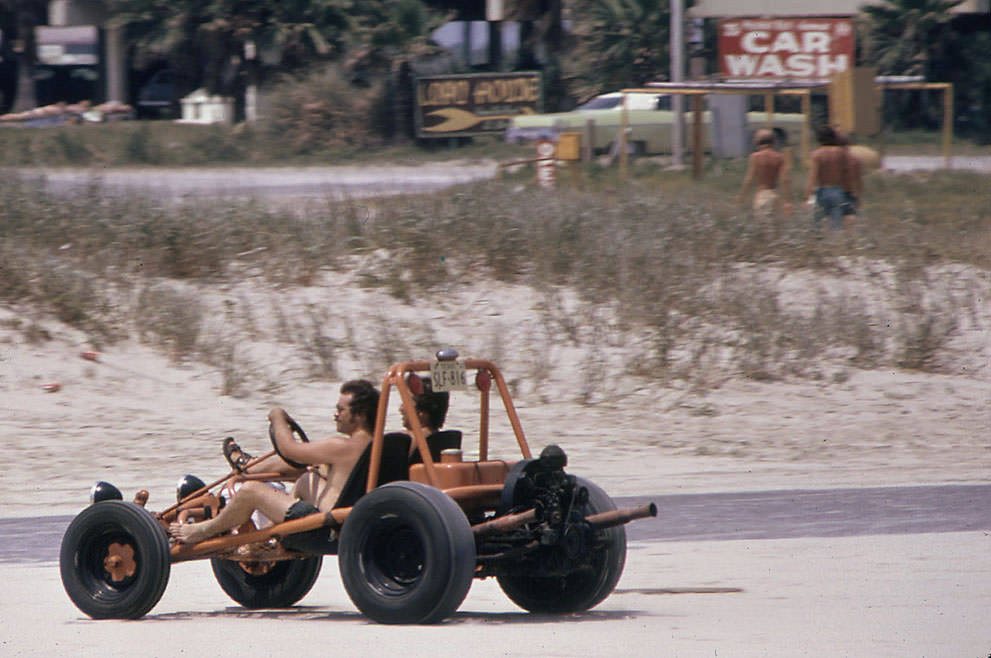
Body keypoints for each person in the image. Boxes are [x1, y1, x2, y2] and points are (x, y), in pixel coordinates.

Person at [169, 379, 379, 544]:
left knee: (250, 490)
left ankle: (203, 530)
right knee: (309, 473)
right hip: (347, 522)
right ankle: (265, 523)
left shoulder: (342, 446)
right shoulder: (377, 446)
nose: (335, 415)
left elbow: (290, 449)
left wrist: (278, 417)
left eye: (341, 410)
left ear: (360, 415)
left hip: (324, 527)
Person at [805, 125, 862, 231]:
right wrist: (853, 193)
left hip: (822, 190)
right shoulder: (841, 153)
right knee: (836, 226)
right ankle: (836, 244)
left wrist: (807, 195)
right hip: (837, 191)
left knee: (816, 223)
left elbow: (812, 177)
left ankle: (817, 241)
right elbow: (848, 175)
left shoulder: (816, 154)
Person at [737, 128, 792, 217]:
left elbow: (749, 178)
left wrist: (742, 195)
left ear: (758, 143)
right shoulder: (779, 157)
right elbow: (784, 180)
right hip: (774, 195)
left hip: (761, 195)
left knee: (762, 227)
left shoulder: (755, 157)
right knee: (775, 227)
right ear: (773, 143)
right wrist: (788, 201)